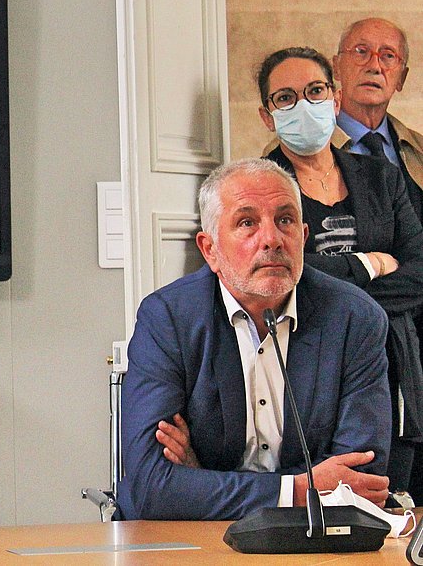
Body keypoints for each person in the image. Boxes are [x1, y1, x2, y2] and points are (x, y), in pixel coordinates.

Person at [118, 158, 391, 520]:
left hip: (311, 544)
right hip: (190, 544)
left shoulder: (356, 319)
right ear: (209, 249)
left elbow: (359, 483)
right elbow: (149, 487)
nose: (272, 240)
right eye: (247, 223)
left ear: (303, 237)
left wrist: (201, 481)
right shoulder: (168, 319)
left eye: (285, 220)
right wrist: (298, 489)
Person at [257, 47, 423, 494]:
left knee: (391, 500)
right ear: (268, 116)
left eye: (314, 91)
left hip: (394, 362)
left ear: (335, 99)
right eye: (285, 98)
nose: (303, 105)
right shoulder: (260, 187)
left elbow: (421, 272)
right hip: (304, 362)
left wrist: (325, 280)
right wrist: (368, 264)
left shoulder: (381, 178)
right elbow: (274, 278)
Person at [333, 19, 423, 221]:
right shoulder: (298, 148)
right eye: (361, 51)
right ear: (336, 67)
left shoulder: (418, 150)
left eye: (388, 56)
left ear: (402, 78)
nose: (374, 66)